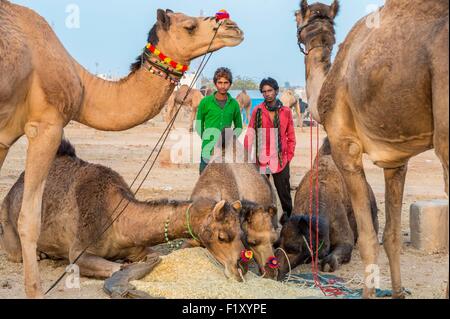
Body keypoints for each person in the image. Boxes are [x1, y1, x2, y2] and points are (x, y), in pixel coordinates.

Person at [244, 77, 296, 220]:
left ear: (276, 91)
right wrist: (248, 156)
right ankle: (259, 223)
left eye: (270, 90)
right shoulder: (258, 110)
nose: (267, 94)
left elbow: (291, 136)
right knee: (261, 193)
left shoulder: (285, 112)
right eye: (264, 91)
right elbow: (250, 133)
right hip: (263, 160)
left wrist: (288, 156)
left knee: (284, 194)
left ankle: (289, 223)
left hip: (281, 160)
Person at [195, 67, 243, 174]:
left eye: (226, 83)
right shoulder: (205, 102)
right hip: (208, 150)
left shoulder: (234, 104)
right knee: (205, 182)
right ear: (215, 83)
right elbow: (198, 125)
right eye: (220, 82)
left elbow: (239, 127)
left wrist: (229, 140)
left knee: (225, 183)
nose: (223, 86)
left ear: (230, 84)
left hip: (226, 152)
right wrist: (207, 139)